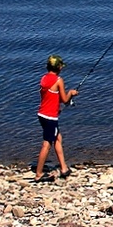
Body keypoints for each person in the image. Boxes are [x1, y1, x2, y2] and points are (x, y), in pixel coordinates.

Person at [34, 54, 77, 182]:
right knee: (46, 144)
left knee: (58, 138)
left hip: (42, 114)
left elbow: (49, 96)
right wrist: (71, 93)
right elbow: (64, 100)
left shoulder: (43, 79)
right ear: (58, 67)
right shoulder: (58, 80)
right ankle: (38, 174)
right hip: (50, 117)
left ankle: (64, 168)